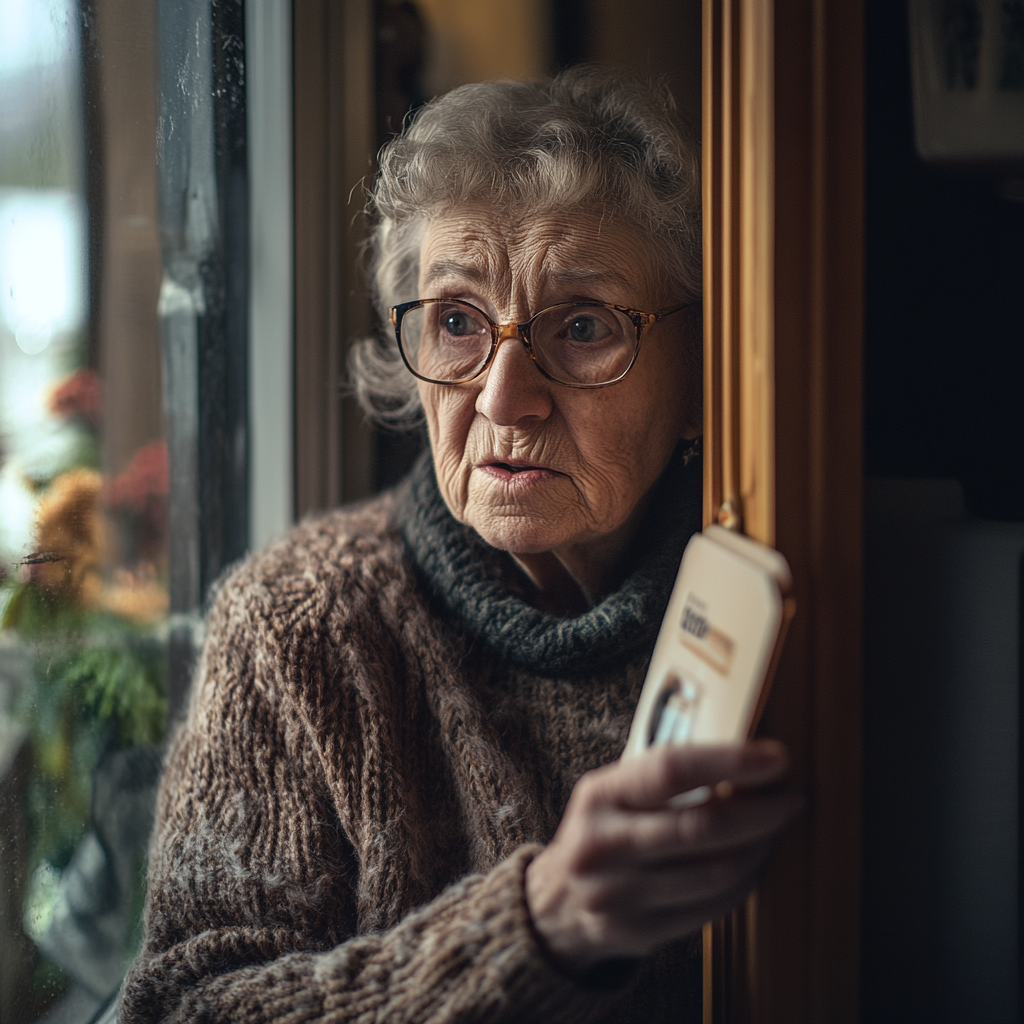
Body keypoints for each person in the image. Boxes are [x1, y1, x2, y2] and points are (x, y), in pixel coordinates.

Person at [120, 68, 798, 1023]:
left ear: (702, 371)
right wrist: (538, 926)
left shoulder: (781, 604)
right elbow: (185, 1008)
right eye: (455, 322)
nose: (503, 397)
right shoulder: (295, 628)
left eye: (585, 326)